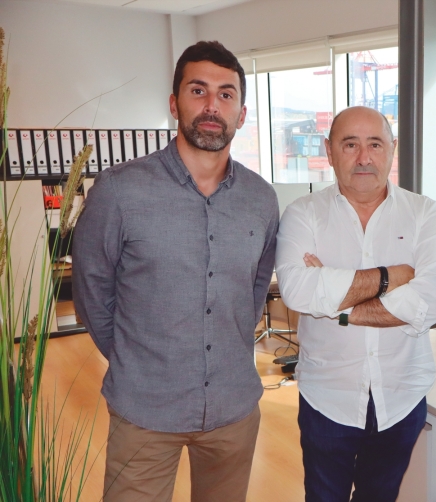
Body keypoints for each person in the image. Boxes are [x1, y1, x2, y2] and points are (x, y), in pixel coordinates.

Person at [73, 41, 278, 502]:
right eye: (198, 90)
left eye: (226, 94)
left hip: (232, 409)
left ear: (242, 114)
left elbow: (254, 289)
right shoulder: (119, 191)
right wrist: (135, 358)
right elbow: (91, 293)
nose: (212, 105)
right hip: (145, 410)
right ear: (174, 104)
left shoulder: (261, 199)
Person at [275, 106, 436, 501]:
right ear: (329, 150)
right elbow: (298, 291)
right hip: (327, 398)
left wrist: (337, 304)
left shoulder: (424, 213)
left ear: (393, 148)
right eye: (350, 144)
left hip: (400, 396)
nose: (363, 157)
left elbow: (431, 303)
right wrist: (391, 277)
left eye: (374, 144)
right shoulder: (303, 214)